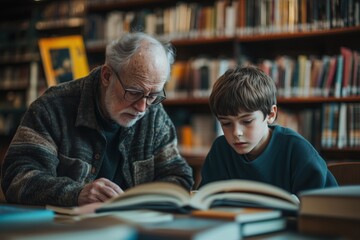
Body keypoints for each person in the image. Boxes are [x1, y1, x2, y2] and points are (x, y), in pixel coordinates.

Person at [1, 32, 194, 206]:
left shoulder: (153, 114)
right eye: (134, 92)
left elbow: (178, 175)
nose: (143, 107)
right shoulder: (53, 108)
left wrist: (144, 201)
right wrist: (76, 193)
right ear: (107, 75)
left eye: (153, 95)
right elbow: (17, 177)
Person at [199, 65, 338, 195]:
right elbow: (205, 201)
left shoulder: (298, 150)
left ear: (271, 115)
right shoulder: (220, 150)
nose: (236, 132)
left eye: (247, 121)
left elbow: (323, 209)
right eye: (226, 123)